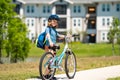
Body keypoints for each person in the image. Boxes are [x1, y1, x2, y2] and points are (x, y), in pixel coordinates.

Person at [43, 14, 65, 80]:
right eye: (54, 21)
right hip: (48, 46)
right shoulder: (48, 28)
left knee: (53, 61)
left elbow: (59, 35)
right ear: (50, 21)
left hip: (53, 46)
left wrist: (66, 36)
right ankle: (45, 75)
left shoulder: (54, 30)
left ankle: (49, 75)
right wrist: (50, 42)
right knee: (51, 61)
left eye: (56, 22)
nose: (55, 23)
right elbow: (48, 35)